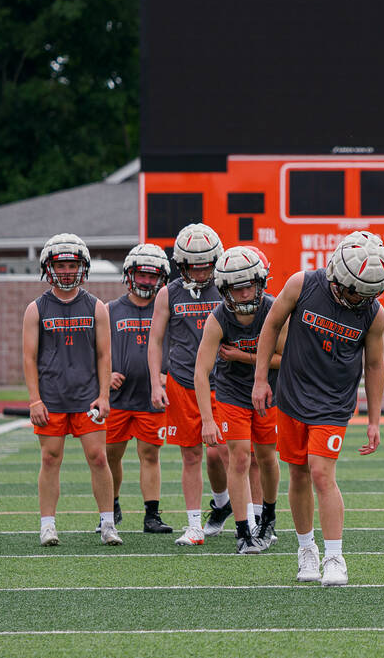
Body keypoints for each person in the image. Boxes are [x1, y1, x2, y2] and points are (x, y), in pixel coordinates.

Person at [252, 230, 384, 587]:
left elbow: (375, 364)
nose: (362, 299)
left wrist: (374, 420)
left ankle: (334, 556)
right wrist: (260, 379)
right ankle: (306, 549)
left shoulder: (373, 314)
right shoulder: (302, 284)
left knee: (321, 474)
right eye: (357, 292)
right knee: (298, 473)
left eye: (369, 294)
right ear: (338, 276)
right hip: (292, 395)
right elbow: (271, 326)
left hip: (334, 402)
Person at [22, 233, 121, 547]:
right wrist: (35, 400)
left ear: (83, 266)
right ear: (49, 268)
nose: (66, 271)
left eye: (72, 265)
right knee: (50, 459)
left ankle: (108, 524)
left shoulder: (96, 307)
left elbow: (104, 355)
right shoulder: (36, 308)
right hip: (51, 398)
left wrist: (104, 395)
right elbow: (29, 358)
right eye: (61, 265)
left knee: (99, 458)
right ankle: (47, 525)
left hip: (87, 397)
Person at [195, 246, 286, 554]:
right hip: (232, 392)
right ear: (225, 289)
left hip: (268, 392)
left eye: (250, 285)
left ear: (260, 283)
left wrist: (241, 356)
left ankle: (268, 517)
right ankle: (243, 529)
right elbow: (201, 370)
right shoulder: (218, 318)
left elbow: (285, 359)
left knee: (267, 457)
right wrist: (207, 420)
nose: (245, 293)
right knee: (240, 457)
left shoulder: (274, 310)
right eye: (237, 287)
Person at [148, 222, 229, 545]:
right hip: (182, 381)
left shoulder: (226, 287)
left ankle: (231, 507)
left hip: (223, 381)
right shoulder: (168, 293)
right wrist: (156, 382)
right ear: (181, 264)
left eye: (205, 265)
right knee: (191, 455)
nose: (200, 272)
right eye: (193, 266)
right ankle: (194, 524)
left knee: (222, 451)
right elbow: (155, 340)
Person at [102, 243, 175, 535]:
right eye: (141, 275)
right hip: (118, 397)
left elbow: (181, 346)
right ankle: (111, 506)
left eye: (152, 275)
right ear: (129, 275)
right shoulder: (110, 310)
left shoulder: (166, 308)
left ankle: (152, 515)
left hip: (152, 396)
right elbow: (95, 350)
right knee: (111, 454)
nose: (146, 281)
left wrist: (169, 374)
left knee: (150, 454)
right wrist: (105, 375)